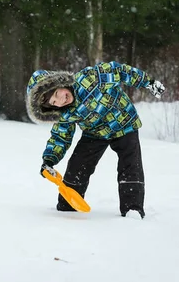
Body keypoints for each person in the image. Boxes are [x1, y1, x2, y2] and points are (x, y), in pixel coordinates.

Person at [26, 61, 165, 218]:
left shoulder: (90, 79)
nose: (60, 100)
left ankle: (132, 208)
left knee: (130, 164)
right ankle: (67, 206)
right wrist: (49, 160)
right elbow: (60, 136)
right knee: (78, 164)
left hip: (124, 122)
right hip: (95, 132)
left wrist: (148, 82)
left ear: (62, 82)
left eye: (57, 93)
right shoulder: (64, 114)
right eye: (53, 102)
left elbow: (119, 71)